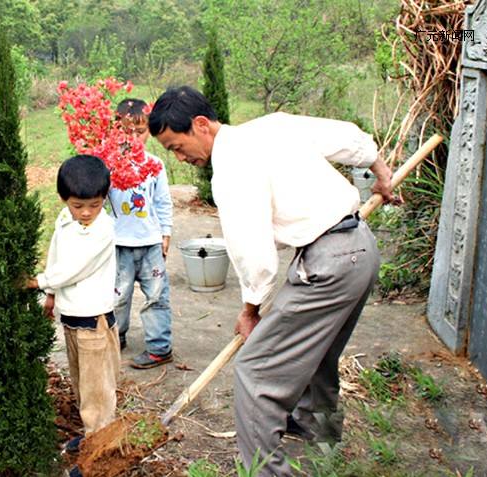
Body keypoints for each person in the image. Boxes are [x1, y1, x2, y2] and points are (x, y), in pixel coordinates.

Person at [148, 86, 395, 476]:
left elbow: (253, 251)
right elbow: (350, 139)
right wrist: (381, 173)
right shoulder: (272, 126)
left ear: (200, 125)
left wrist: (251, 309)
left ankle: (265, 471)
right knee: (319, 351)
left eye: (177, 146)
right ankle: (321, 435)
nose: (180, 157)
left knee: (256, 371)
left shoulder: (231, 166)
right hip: (360, 249)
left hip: (329, 264)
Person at [26, 154, 119, 456]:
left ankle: (100, 452)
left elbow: (75, 267)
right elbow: (58, 254)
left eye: (95, 204)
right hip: (73, 322)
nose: (86, 213)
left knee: (98, 394)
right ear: (63, 198)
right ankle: (93, 436)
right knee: (82, 386)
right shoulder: (66, 219)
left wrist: (39, 281)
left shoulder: (104, 229)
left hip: (94, 322)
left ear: (105, 196)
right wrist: (51, 293)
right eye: (78, 205)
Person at [109, 98, 174, 369]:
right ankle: (116, 336)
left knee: (157, 295)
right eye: (127, 131)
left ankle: (160, 347)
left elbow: (162, 201)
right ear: (115, 130)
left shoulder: (155, 165)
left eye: (141, 131)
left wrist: (165, 232)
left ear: (150, 131)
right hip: (118, 244)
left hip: (149, 244)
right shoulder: (108, 164)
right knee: (117, 296)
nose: (134, 138)